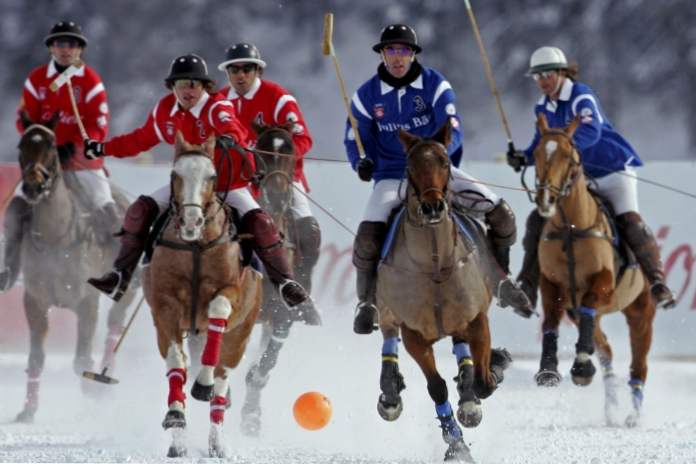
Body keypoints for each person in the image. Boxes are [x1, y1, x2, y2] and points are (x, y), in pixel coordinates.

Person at [345, 24, 533, 334]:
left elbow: (453, 127)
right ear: (381, 53)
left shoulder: (434, 85)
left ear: (413, 54)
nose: (397, 57)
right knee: (367, 237)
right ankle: (367, 302)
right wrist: (360, 161)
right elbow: (356, 138)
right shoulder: (366, 96)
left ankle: (500, 280)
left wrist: (438, 152)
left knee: (501, 214)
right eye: (390, 50)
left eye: (403, 50)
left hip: (435, 172)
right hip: (392, 175)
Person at [84, 53, 309, 310]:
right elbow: (139, 140)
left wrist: (232, 140)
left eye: (194, 84)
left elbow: (234, 128)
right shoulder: (165, 110)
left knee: (262, 223)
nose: (188, 90)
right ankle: (120, 276)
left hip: (228, 185)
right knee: (138, 211)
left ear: (204, 87)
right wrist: (103, 148)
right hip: (186, 188)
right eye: (182, 84)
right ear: (173, 87)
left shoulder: (217, 107)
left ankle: (285, 283)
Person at [507, 46, 675, 309]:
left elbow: (592, 132)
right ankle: (527, 285)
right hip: (575, 179)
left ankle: (656, 281)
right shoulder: (542, 106)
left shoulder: (580, 95)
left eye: (547, 74)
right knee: (538, 218)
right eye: (537, 77)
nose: (543, 81)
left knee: (629, 220)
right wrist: (524, 157)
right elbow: (543, 143)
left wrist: (565, 149)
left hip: (612, 168)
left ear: (562, 72)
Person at [0, 20, 115, 291]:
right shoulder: (37, 79)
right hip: (44, 161)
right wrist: (44, 140)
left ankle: (117, 274)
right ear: (51, 48)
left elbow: (99, 125)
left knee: (108, 212)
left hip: (81, 162)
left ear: (80, 50)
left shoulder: (90, 81)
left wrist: (75, 145)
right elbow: (23, 119)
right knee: (16, 210)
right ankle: (9, 268)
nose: (66, 49)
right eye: (60, 44)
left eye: (72, 44)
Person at [217, 42, 321, 323]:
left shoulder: (277, 97)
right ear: (228, 73)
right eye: (234, 69)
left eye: (247, 68)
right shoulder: (219, 101)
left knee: (307, 230)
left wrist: (279, 160)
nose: (241, 75)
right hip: (239, 181)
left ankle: (302, 297)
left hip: (281, 178)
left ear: (257, 70)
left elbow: (303, 139)